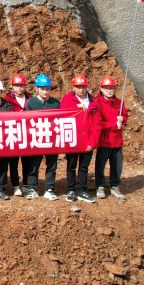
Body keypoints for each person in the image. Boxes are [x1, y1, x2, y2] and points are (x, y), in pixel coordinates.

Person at [61, 75, 97, 203]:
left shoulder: (93, 101)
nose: (81, 89)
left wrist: (92, 142)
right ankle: (71, 190)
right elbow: (62, 116)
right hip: (73, 139)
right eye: (78, 87)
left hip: (87, 139)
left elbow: (97, 123)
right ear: (73, 87)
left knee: (83, 166)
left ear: (87, 87)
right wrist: (76, 108)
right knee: (71, 165)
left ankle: (82, 190)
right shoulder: (67, 99)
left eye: (83, 87)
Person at [91, 76, 128, 200]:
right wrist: (114, 125)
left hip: (117, 141)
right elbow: (98, 123)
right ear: (101, 89)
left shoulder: (119, 103)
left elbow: (125, 115)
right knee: (100, 165)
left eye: (111, 88)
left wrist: (123, 119)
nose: (109, 91)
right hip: (104, 141)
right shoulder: (97, 103)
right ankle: (99, 185)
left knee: (117, 165)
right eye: (106, 88)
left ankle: (114, 185)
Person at [24, 74, 60, 200]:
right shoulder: (31, 103)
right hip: (36, 139)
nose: (45, 91)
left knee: (52, 165)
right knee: (33, 165)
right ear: (37, 89)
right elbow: (26, 121)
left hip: (52, 139)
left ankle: (49, 189)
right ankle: (32, 188)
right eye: (42, 89)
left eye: (47, 89)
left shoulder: (55, 103)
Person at [3, 74, 29, 195]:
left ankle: (26, 184)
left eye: (21, 85)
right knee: (13, 162)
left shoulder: (30, 98)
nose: (19, 88)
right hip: (13, 134)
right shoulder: (7, 100)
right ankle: (15, 185)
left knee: (27, 160)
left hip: (27, 134)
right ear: (12, 86)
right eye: (17, 85)